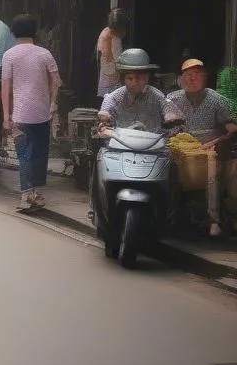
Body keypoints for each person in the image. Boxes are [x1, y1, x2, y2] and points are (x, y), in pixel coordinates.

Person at [166, 58, 237, 237]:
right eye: (188, 75)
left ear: (205, 78)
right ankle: (166, 216)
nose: (192, 79)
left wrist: (215, 142)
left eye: (197, 75)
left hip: (208, 150)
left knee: (211, 162)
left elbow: (232, 129)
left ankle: (214, 219)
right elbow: (163, 128)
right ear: (180, 79)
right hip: (180, 150)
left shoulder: (216, 100)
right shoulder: (172, 100)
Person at [1, 14, 61, 212]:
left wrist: (5, 116)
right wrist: (53, 103)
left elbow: (5, 88)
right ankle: (35, 193)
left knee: (24, 155)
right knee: (39, 154)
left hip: (20, 115)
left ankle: (27, 195)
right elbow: (56, 81)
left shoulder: (9, 55)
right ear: (34, 32)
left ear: (13, 32)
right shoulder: (44, 54)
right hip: (42, 113)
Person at [97, 49, 180, 134]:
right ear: (123, 79)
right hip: (122, 141)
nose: (135, 82)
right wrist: (104, 117)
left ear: (147, 78)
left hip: (151, 141)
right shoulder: (115, 97)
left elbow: (166, 105)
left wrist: (171, 115)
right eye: (130, 78)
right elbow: (106, 110)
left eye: (140, 78)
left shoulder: (156, 95)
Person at [96, 7, 130, 98]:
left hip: (105, 77)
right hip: (113, 81)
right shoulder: (114, 37)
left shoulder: (105, 31)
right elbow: (118, 60)